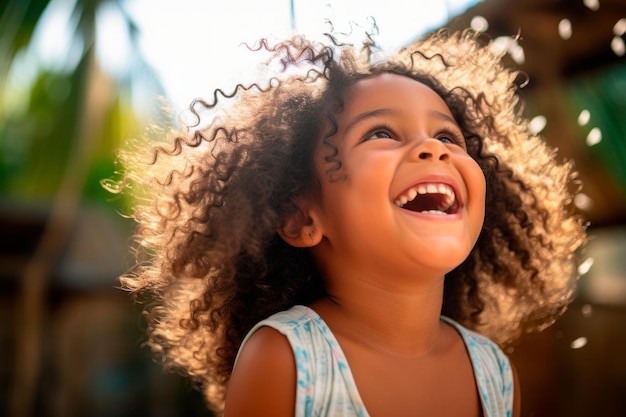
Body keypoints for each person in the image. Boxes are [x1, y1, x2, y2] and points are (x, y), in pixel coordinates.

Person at [107, 26, 586, 416]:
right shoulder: (285, 361)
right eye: (381, 132)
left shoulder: (495, 376)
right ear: (301, 217)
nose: (434, 148)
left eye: (447, 136)